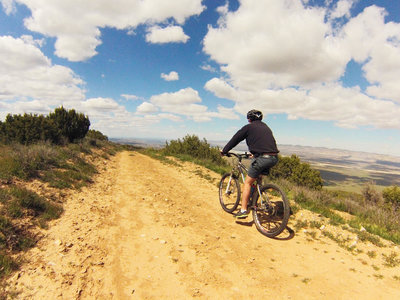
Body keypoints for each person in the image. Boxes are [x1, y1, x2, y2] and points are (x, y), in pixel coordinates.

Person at [221, 109, 279, 219]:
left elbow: (235, 139)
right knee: (257, 179)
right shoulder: (266, 127)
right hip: (273, 158)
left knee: (247, 183)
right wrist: (256, 154)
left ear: (249, 119)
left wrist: (224, 151)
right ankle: (254, 201)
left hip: (262, 158)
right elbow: (263, 143)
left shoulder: (249, 127)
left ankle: (243, 210)